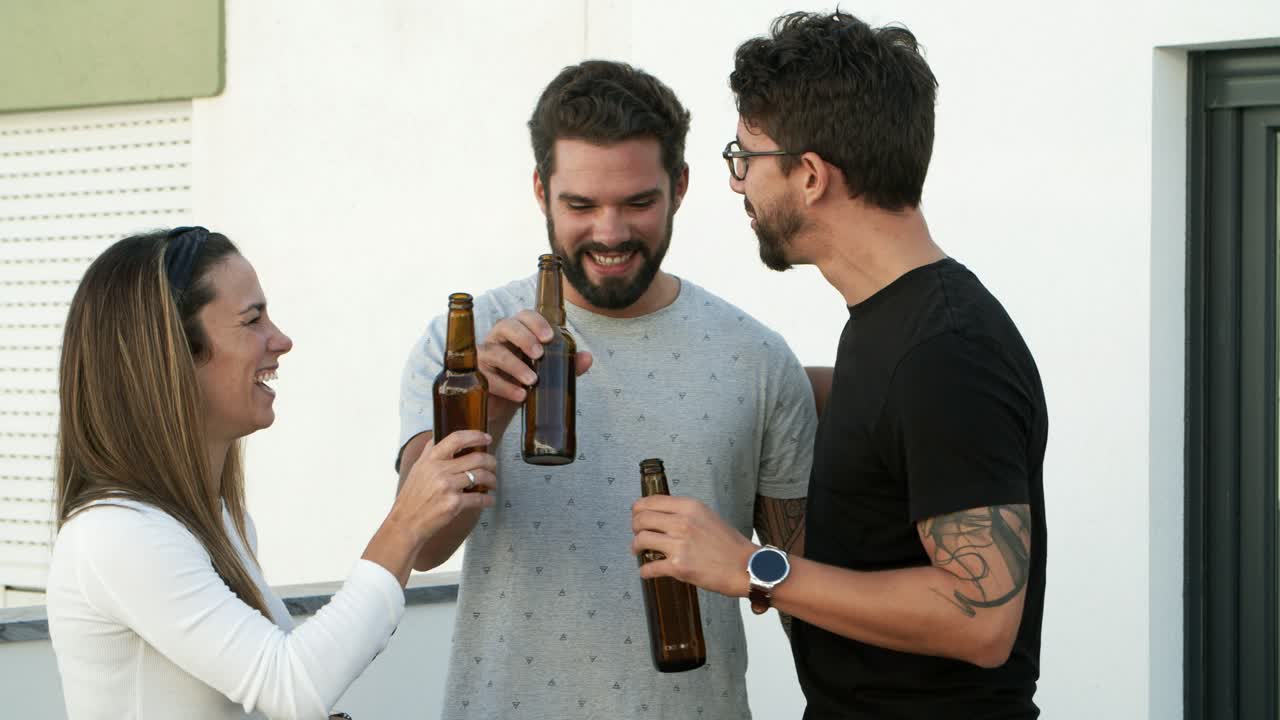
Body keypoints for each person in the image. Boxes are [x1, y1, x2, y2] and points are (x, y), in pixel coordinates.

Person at [631, 11, 1049, 719]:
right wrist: (756, 381)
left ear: (812, 175)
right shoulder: (889, 325)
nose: (739, 184)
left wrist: (752, 567)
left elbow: (982, 620)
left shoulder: (946, 352)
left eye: (747, 157)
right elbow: (887, 435)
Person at [396, 60, 818, 718]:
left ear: (679, 186)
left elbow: (802, 588)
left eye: (638, 202)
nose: (611, 232)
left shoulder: (756, 357)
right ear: (541, 191)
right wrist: (491, 414)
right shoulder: (466, 342)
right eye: (582, 205)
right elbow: (420, 547)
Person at [46, 227, 498, 720]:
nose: (281, 340)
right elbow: (291, 686)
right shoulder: (117, 534)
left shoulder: (214, 522)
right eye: (252, 320)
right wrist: (407, 523)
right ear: (173, 353)